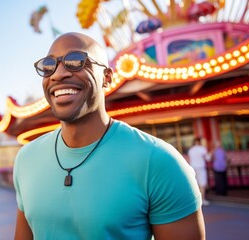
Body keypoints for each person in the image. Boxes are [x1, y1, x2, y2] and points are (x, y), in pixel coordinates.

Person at [14, 32, 205, 239]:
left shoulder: (159, 161)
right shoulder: (26, 159)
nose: (58, 74)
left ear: (106, 78)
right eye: (49, 65)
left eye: (76, 61)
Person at [188, 137, 211, 206]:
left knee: (195, 185)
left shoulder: (191, 150)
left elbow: (190, 160)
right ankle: (203, 200)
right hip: (200, 168)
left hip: (193, 168)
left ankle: (196, 201)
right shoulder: (202, 149)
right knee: (202, 184)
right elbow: (208, 158)